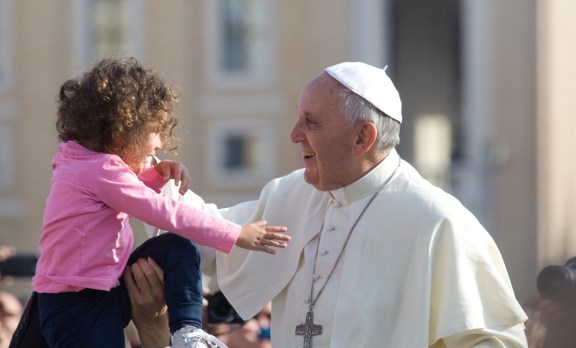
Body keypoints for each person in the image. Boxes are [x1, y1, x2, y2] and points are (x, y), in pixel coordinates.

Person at [134, 62, 529, 347]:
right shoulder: (290, 195)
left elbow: (492, 342)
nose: (293, 135)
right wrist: (146, 175)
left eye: (311, 122)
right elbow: (208, 234)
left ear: (362, 137)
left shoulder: (438, 222)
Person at [31, 57, 290, 348]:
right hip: (76, 307)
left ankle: (187, 332)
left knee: (177, 245)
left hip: (102, 288)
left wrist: (154, 177)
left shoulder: (83, 163)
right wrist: (236, 233)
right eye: (154, 131)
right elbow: (164, 212)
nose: (158, 144)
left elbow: (117, 197)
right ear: (123, 130)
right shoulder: (100, 170)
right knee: (179, 231)